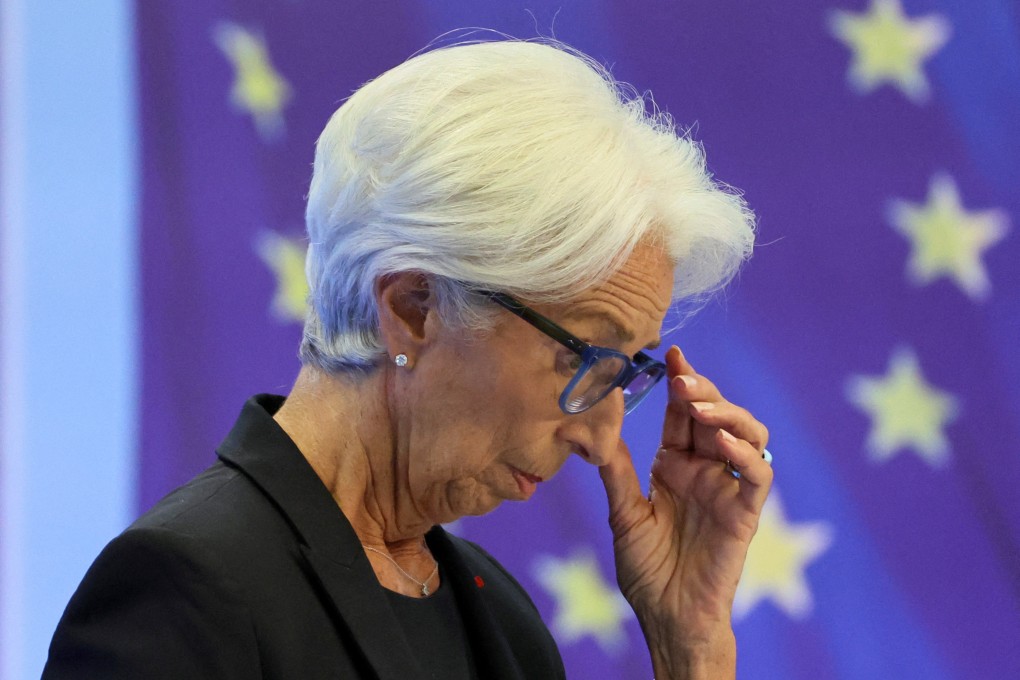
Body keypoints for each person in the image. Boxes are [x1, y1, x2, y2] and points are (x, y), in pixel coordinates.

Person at [43, 39, 771, 679]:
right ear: (414, 309)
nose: (600, 437)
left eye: (625, 372)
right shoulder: (187, 588)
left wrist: (691, 647)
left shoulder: (505, 626)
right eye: (583, 357)